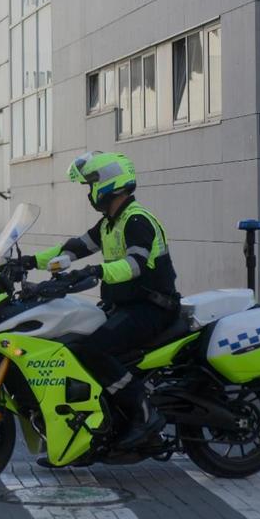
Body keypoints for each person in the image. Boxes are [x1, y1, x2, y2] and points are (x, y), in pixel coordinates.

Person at [26, 151, 178, 450]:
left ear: (109, 183)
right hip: (124, 307)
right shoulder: (110, 223)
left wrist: (96, 271)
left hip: (152, 309)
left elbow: (134, 265)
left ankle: (143, 414)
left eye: (91, 183)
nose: (89, 191)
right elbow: (73, 248)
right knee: (74, 340)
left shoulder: (137, 220)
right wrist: (30, 261)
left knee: (93, 349)